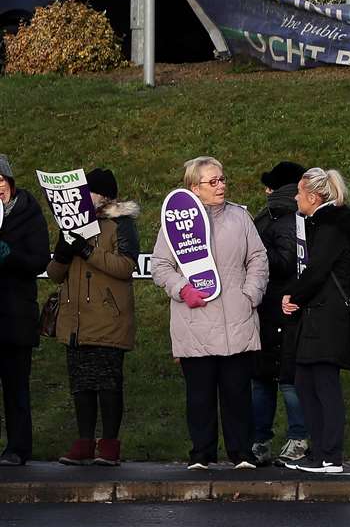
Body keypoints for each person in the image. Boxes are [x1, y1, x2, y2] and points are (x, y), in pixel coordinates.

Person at [151, 156, 269, 470]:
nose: (221, 185)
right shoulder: (175, 225)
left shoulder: (240, 218)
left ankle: (241, 453)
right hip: (195, 322)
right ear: (194, 188)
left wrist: (250, 295)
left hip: (236, 318)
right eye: (212, 181)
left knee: (237, 394)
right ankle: (201, 454)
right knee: (200, 396)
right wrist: (182, 288)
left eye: (222, 179)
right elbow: (159, 265)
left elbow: (258, 258)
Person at [280, 168, 350, 474]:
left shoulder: (328, 229)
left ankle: (330, 456)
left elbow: (316, 272)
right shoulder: (328, 226)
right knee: (306, 383)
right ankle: (320, 453)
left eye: (299, 192)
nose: (295, 197)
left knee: (323, 385)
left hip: (325, 319)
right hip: (321, 319)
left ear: (313, 197)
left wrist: (291, 296)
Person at [46, 168, 138, 467]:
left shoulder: (120, 224)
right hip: (75, 322)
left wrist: (86, 250)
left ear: (106, 197)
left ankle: (109, 444)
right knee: (81, 386)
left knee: (108, 386)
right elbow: (54, 276)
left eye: (90, 192)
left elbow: (125, 266)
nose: (84, 198)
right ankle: (84, 442)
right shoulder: (73, 225)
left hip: (108, 321)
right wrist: (62, 251)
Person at [251, 160, 309, 465]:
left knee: (283, 377)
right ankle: (264, 438)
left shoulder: (280, 216)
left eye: (269, 184)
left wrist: (256, 251)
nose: (265, 189)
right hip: (273, 307)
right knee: (268, 376)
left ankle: (293, 437)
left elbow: (285, 261)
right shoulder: (284, 215)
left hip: (278, 308)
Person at [0, 155, 51, 465]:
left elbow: (39, 259)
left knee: (16, 388)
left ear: (10, 182)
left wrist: (11, 255)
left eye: (1, 182)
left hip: (16, 316)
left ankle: (18, 448)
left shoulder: (28, 213)